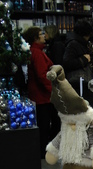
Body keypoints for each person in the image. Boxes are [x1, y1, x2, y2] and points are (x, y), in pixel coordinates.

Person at [22, 26, 61, 158]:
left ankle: (45, 151)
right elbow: (42, 76)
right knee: (47, 124)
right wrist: (53, 91)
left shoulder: (35, 51)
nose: (44, 36)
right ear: (35, 38)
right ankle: (45, 152)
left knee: (46, 124)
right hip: (43, 96)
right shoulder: (37, 53)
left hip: (41, 95)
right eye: (41, 34)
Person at [63, 18, 93, 110]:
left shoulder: (81, 43)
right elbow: (67, 63)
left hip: (82, 84)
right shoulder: (73, 44)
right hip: (79, 84)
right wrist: (84, 60)